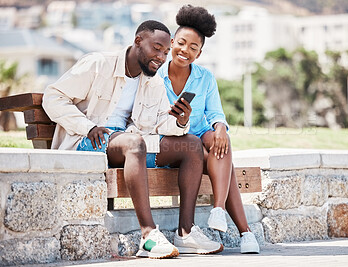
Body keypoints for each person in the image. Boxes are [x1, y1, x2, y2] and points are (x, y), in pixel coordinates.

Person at [43, 20, 223, 259]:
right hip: (88, 142)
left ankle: (186, 232)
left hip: (128, 144)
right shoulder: (98, 64)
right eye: (156, 48)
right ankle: (148, 235)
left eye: (165, 52)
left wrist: (181, 120)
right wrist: (88, 127)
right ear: (138, 41)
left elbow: (161, 124)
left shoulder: (153, 80)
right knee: (135, 142)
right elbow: (53, 97)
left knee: (190, 144)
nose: (161, 57)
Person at [158, 5, 260, 254]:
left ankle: (219, 211)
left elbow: (215, 113)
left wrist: (221, 128)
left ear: (200, 53)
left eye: (193, 48)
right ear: (172, 42)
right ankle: (244, 231)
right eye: (182, 43)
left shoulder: (205, 77)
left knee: (221, 143)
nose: (185, 51)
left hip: (200, 135)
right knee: (227, 168)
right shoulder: (156, 75)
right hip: (172, 141)